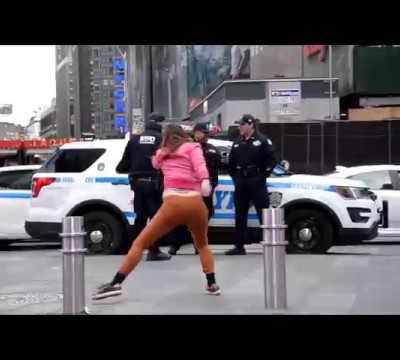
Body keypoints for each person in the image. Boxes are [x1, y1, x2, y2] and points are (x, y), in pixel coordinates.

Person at [92, 124, 221, 300]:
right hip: (195, 203)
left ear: (165, 137)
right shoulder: (193, 147)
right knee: (203, 245)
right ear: (183, 135)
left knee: (140, 243)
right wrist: (205, 181)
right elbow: (200, 166)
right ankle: (212, 283)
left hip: (173, 203)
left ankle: (116, 283)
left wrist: (163, 151)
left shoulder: (162, 154)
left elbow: (154, 163)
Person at [116, 112, 171, 261]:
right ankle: (154, 250)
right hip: (154, 184)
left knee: (140, 217)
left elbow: (122, 165)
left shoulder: (134, 140)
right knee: (156, 218)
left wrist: (135, 167)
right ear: (160, 124)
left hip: (137, 183)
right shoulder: (162, 140)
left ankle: (133, 249)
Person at [225, 114, 277, 255]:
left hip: (257, 181)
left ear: (250, 125)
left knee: (263, 214)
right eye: (239, 125)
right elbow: (231, 164)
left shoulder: (262, 141)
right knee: (240, 215)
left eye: (242, 125)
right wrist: (235, 178)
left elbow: (272, 161)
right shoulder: (237, 142)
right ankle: (239, 246)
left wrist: (262, 176)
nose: (240, 127)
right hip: (241, 182)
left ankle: (270, 245)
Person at [168, 122, 222, 255]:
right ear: (196, 133)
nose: (203, 135)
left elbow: (217, 168)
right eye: (201, 133)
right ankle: (175, 244)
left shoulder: (212, 149)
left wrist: (212, 184)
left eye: (205, 133)